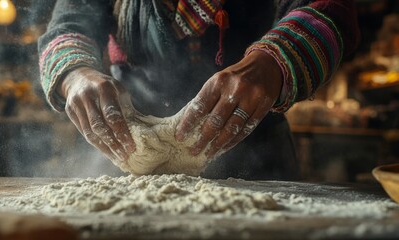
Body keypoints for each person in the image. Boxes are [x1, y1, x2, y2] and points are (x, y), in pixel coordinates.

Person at [38, 0, 360, 180]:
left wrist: (273, 61)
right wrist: (74, 73)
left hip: (256, 160)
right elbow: (68, 26)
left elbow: (332, 10)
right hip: (131, 162)